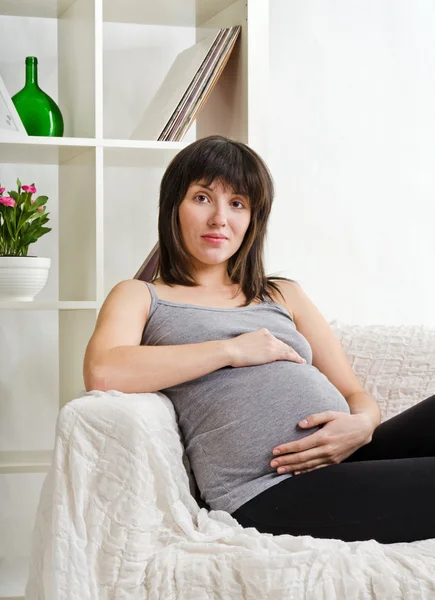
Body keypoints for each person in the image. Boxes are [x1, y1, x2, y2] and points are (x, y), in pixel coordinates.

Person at [84, 135, 435, 544]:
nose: (220, 219)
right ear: (173, 208)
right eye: (202, 198)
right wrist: (232, 350)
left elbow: (355, 393)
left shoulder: (283, 293)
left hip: (347, 456)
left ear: (253, 219)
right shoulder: (142, 294)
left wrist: (362, 425)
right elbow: (103, 371)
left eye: (237, 204)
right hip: (269, 490)